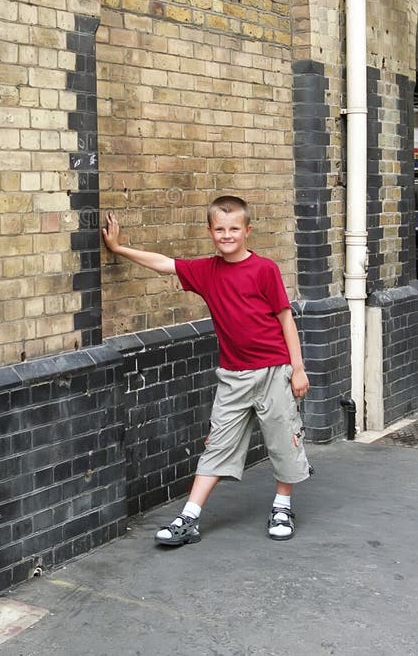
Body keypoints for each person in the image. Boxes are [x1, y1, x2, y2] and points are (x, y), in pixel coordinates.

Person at [102, 194, 312, 545]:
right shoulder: (206, 271)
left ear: (248, 230)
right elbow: (163, 264)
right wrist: (120, 248)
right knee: (216, 446)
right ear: (210, 232)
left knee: (283, 441)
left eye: (234, 228)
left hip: (275, 371)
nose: (226, 235)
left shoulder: (264, 270)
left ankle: (282, 506)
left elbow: (285, 318)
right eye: (219, 229)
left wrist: (298, 368)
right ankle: (189, 518)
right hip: (233, 377)